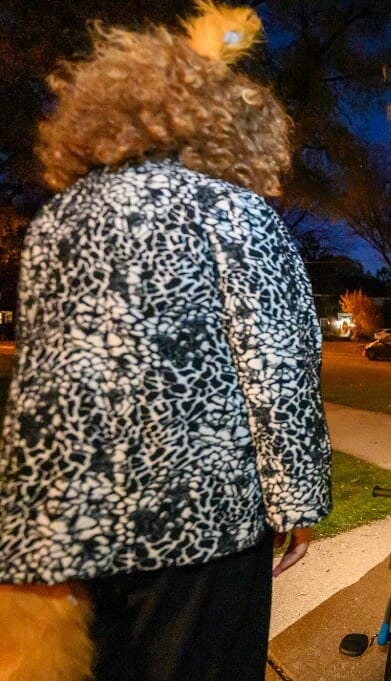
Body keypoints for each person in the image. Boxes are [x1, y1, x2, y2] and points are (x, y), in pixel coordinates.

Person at [0, 3, 332, 680]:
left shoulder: (56, 219)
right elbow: (279, 369)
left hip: (71, 527)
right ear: (214, 118)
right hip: (200, 523)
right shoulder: (232, 211)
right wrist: (298, 502)